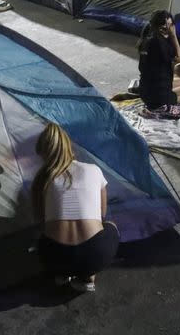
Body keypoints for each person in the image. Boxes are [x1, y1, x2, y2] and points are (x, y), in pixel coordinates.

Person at [31, 123, 119, 293]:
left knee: (43, 236)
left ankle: (61, 273)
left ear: (43, 154)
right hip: (94, 254)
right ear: (68, 147)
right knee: (110, 225)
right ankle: (88, 277)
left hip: (54, 256)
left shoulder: (41, 181)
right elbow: (102, 213)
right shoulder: (93, 170)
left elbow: (40, 221)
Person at [137, 10, 180, 117]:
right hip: (159, 100)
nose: (169, 29)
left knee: (179, 82)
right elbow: (179, 59)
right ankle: (164, 103)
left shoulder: (144, 40)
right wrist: (173, 35)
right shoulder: (160, 42)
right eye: (167, 26)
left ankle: (163, 97)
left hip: (144, 93)